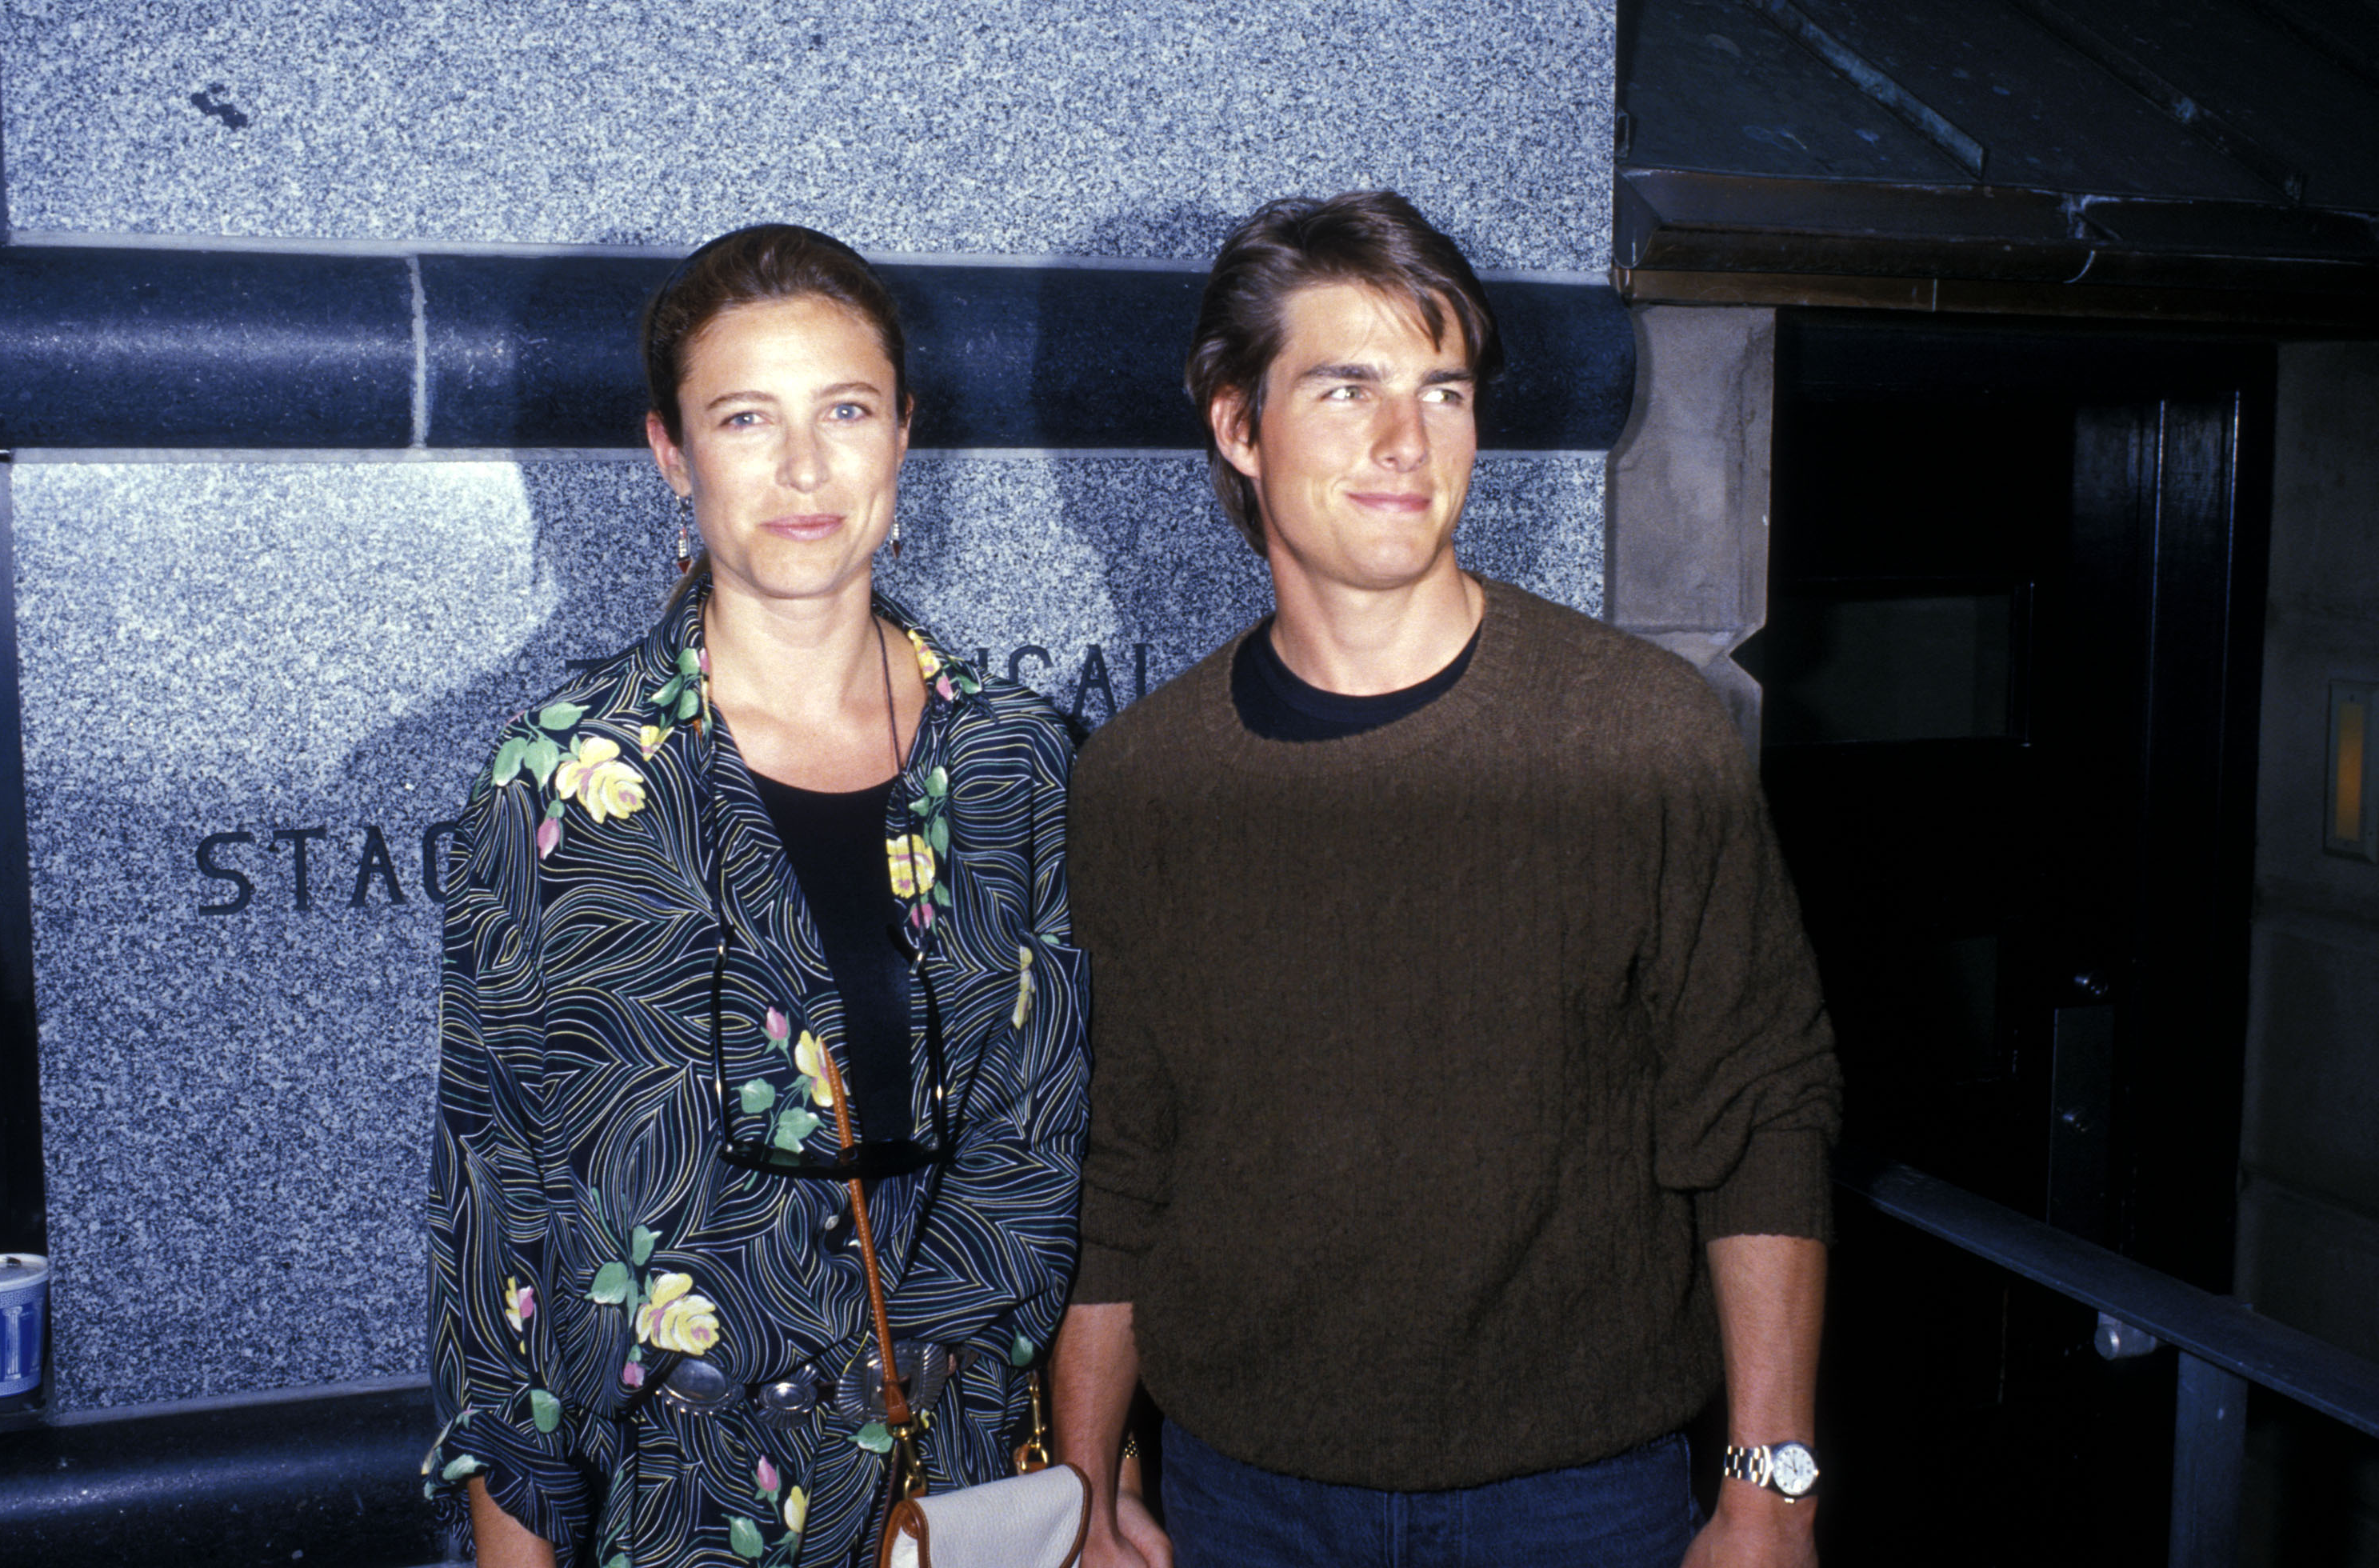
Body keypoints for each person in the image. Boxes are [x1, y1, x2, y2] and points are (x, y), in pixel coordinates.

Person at [1052, 192, 1843, 1568]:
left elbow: (1764, 1104)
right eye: (1346, 387)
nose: (1406, 443)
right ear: (1238, 426)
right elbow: (1122, 1165)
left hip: (1580, 1502)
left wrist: (1772, 1484)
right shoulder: (1142, 779)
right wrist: (1084, 1479)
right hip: (1247, 1501)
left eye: (1445, 390)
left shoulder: (1637, 734)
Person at [425, 225, 1091, 1568]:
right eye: (746, 419)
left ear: (904, 435)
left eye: (845, 410)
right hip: (681, 1508)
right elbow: (497, 1210)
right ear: (672, 454)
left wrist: (1095, 1479)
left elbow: (1089, 1158)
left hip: (967, 1489)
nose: (803, 469)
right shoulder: (564, 783)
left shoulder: (1021, 759)